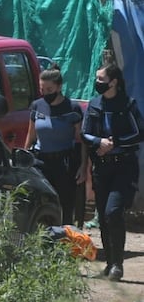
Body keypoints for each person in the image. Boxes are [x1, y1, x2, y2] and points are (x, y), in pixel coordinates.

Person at [82, 62, 143, 281]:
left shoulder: (127, 104)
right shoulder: (95, 104)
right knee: (103, 216)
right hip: (102, 167)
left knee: (113, 212)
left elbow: (139, 133)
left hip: (123, 166)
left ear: (114, 82)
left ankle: (118, 264)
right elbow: (85, 133)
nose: (97, 83)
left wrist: (114, 142)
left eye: (101, 79)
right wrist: (99, 141)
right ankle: (109, 263)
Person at [24, 65, 87, 225]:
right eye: (42, 89)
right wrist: (23, 159)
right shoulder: (37, 106)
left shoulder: (72, 109)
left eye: (49, 89)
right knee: (40, 202)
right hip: (41, 161)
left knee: (65, 203)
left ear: (59, 87)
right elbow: (31, 135)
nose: (45, 93)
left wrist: (83, 166)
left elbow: (81, 140)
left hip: (63, 163)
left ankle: (64, 240)